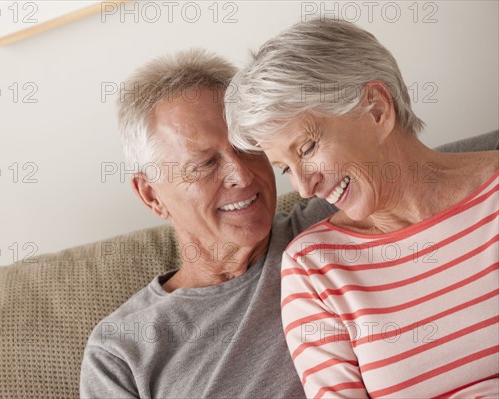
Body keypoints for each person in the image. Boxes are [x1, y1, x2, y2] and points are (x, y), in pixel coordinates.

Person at [225, 18, 499, 398]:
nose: (305, 186)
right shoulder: (314, 267)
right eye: (286, 168)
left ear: (376, 110)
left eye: (307, 148)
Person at [79, 48, 336, 398]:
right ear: (151, 195)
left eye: (247, 146)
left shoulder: (332, 220)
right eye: (205, 164)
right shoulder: (120, 350)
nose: (242, 175)